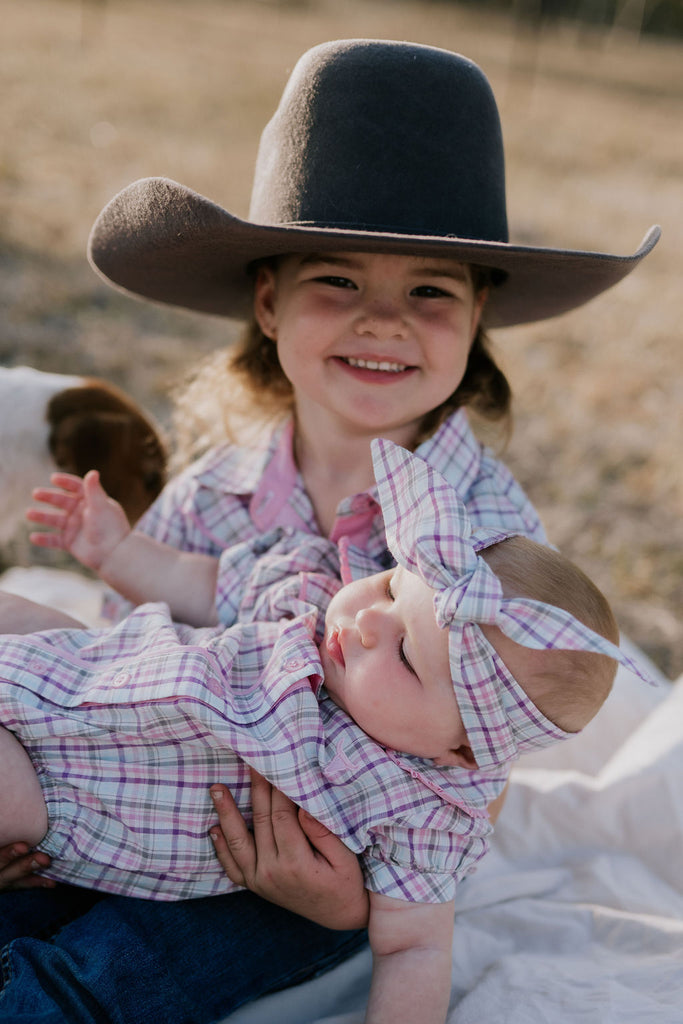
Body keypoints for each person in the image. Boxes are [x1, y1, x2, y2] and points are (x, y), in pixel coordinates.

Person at [0, 38, 659, 1024]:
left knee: (143, 960)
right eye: (337, 282)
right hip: (125, 788)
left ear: (477, 315)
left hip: (309, 854)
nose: (382, 320)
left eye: (429, 291)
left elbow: (463, 782)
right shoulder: (215, 493)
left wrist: (340, 896)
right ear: (268, 301)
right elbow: (111, 649)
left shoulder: (483, 539)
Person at [1, 440, 655, 1024]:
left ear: (459, 749)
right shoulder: (314, 598)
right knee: (17, 614)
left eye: (403, 656)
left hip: (76, 791)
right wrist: (117, 549)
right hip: (89, 668)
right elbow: (201, 585)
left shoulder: (421, 809)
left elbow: (415, 947)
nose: (369, 620)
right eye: (392, 585)